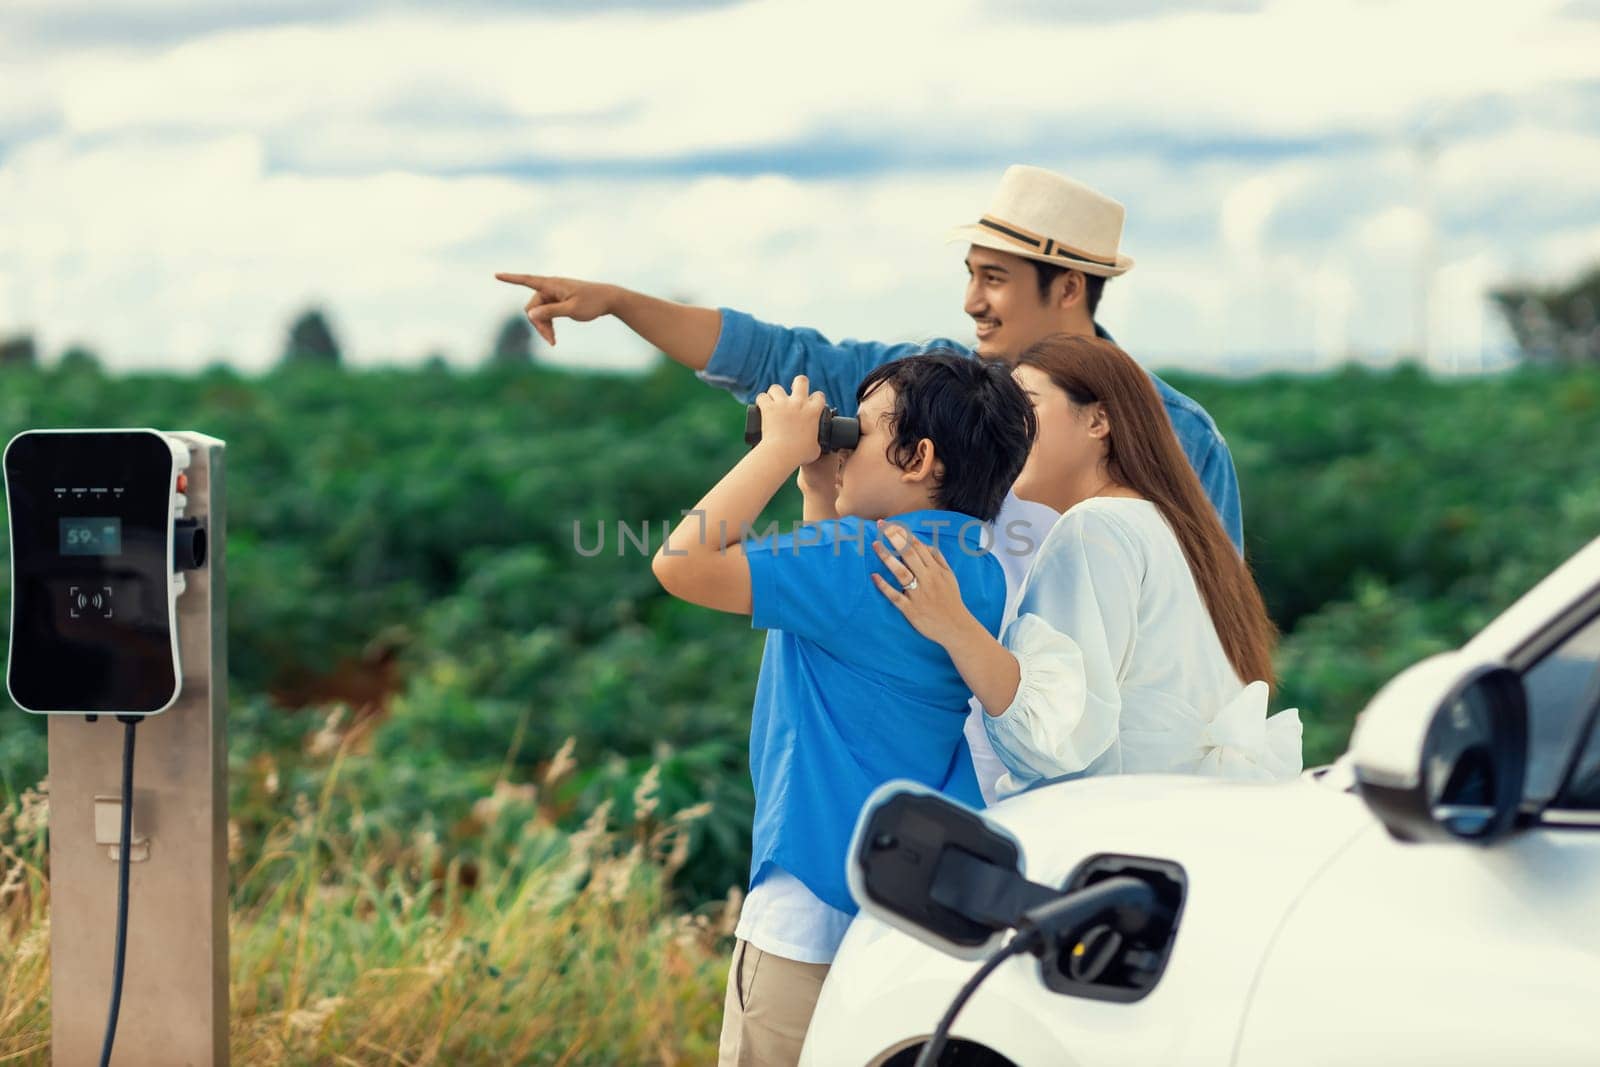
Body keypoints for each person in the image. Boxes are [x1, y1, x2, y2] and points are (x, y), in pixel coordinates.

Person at [496, 164, 1244, 803]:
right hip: (960, 754)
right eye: (970, 275)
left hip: (1105, 773)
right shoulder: (939, 389)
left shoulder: (1180, 436)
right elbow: (777, 357)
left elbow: (1208, 627)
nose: (971, 301)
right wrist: (624, 304)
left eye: (994, 279)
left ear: (1070, 288)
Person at [650, 355, 1035, 1066]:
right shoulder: (974, 572)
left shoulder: (852, 556)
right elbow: (834, 624)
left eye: (865, 426)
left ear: (919, 457)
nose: (846, 441)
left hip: (803, 914)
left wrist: (777, 448)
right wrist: (820, 488)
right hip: (898, 914)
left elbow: (682, 563)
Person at [870, 334, 1301, 794]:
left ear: (1098, 420)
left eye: (1025, 407)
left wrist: (954, 625)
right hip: (1183, 822)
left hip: (1114, 830)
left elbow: (1058, 737)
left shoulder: (1094, 528)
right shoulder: (1172, 527)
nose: (1008, 431)